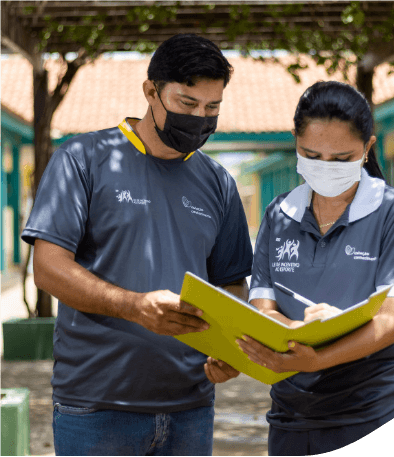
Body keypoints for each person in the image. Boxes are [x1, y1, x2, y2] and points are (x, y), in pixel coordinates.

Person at [21, 34, 253, 456]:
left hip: (191, 407)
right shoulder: (83, 158)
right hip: (96, 408)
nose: (201, 117)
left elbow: (233, 284)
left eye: (212, 108)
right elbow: (48, 266)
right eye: (187, 104)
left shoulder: (219, 183)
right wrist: (133, 306)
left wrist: (229, 346)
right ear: (151, 91)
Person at [237, 81, 394, 455]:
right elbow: (265, 308)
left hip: (372, 413)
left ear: (367, 149)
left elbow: (392, 321)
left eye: (342, 159)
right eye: (312, 155)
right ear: (295, 141)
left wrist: (320, 355)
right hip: (292, 421)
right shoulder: (279, 215)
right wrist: (297, 329)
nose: (326, 168)